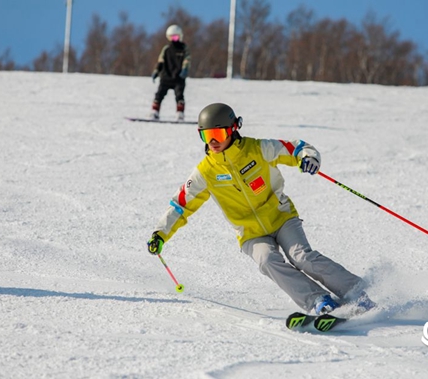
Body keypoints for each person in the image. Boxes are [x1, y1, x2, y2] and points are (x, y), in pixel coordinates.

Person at [147, 103, 376, 315]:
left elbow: (295, 148)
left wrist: (307, 157)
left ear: (233, 129)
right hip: (250, 233)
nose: (212, 142)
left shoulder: (258, 149)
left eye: (217, 134)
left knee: (302, 256)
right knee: (267, 261)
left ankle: (356, 291)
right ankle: (318, 300)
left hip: (281, 217)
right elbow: (180, 205)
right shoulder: (205, 172)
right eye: (206, 136)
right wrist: (160, 233)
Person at [151, 24, 191, 121]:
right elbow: (161, 61)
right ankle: (155, 112)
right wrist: (156, 71)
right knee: (159, 94)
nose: (174, 39)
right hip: (166, 76)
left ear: (180, 36)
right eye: (171, 37)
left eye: (176, 37)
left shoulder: (184, 49)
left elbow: (187, 60)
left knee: (179, 95)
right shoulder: (166, 49)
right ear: (168, 37)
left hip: (179, 77)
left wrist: (185, 69)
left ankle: (180, 113)